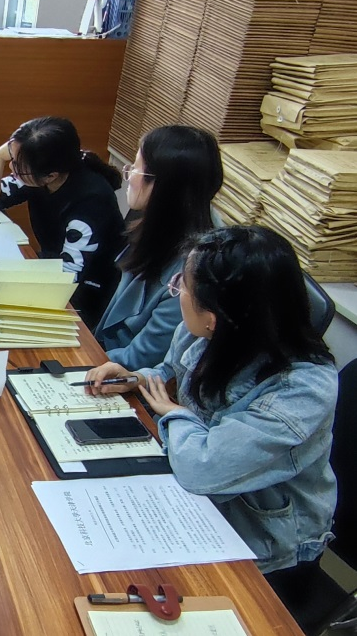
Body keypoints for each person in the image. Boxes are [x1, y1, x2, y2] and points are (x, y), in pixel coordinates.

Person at [84, 226, 337, 588]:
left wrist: (175, 413)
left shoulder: (301, 391)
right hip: (202, 504)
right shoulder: (211, 330)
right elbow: (172, 373)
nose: (176, 292)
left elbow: (202, 469)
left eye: (182, 287)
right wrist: (136, 379)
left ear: (214, 317)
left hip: (261, 542)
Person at [0, 116, 124, 328]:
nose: (12, 168)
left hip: (87, 292)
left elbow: (69, 275)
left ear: (50, 176)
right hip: (53, 267)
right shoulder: (42, 174)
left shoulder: (91, 201)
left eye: (17, 165)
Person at [94, 125, 222, 370]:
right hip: (106, 355)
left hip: (128, 376)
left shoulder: (193, 268)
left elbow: (142, 358)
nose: (129, 175)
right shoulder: (160, 226)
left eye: (136, 167)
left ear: (163, 186)